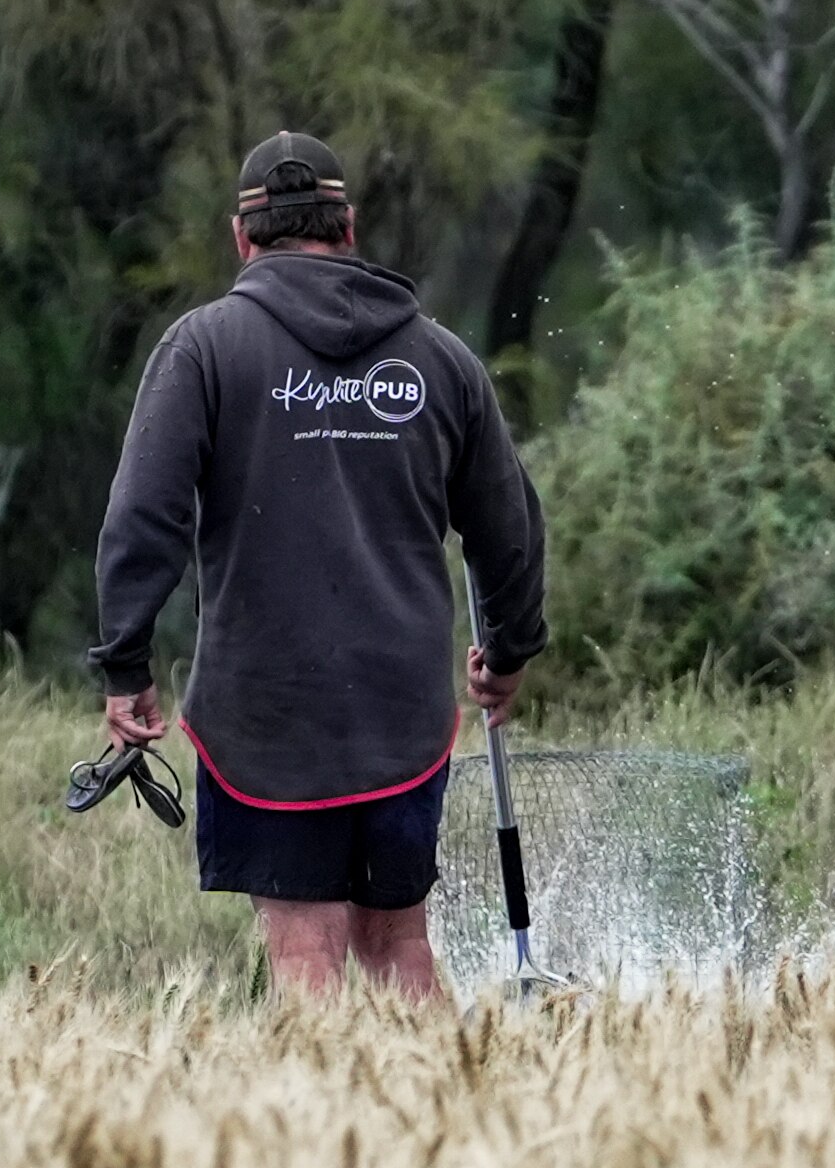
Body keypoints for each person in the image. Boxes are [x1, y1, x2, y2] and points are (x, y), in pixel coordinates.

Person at [92, 131, 545, 1001]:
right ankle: (460, 1123)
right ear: (347, 227)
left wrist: (124, 663)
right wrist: (510, 650)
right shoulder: (443, 359)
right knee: (400, 945)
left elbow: (142, 514)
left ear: (241, 238)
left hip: (268, 718)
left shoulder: (203, 349)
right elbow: (510, 527)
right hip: (403, 719)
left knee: (304, 951)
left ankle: (317, 1136)